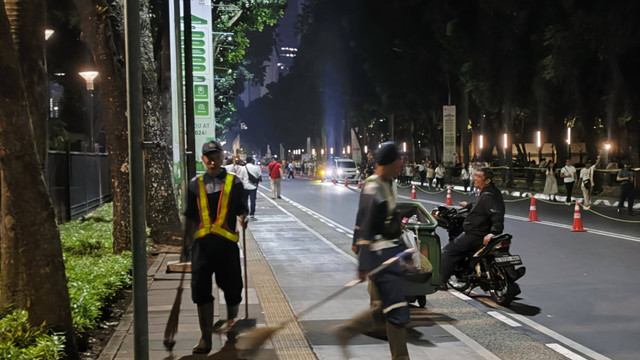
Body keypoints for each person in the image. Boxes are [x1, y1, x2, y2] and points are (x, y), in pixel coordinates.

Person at [334, 142, 410, 360]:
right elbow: (365, 223)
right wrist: (363, 263)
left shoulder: (390, 184)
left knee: (382, 308)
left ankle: (346, 331)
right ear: (391, 162)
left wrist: (405, 251)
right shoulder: (373, 187)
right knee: (396, 308)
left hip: (391, 252)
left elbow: (392, 220)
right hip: (379, 255)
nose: (400, 164)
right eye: (398, 160)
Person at [183, 140, 248, 354]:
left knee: (233, 288)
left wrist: (243, 216)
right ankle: (205, 338)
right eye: (208, 157)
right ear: (203, 160)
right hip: (202, 247)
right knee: (200, 291)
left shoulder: (234, 183)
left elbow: (241, 207)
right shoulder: (194, 184)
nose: (212, 160)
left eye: (216, 156)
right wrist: (185, 245)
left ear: (222, 158)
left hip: (226, 246)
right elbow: (190, 217)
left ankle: (231, 323)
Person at [440, 167, 505, 287]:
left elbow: (496, 213)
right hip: (479, 231)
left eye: (478, 176)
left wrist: (494, 232)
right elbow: (483, 207)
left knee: (449, 251)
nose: (474, 179)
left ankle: (440, 282)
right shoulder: (490, 192)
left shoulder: (488, 195)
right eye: (474, 176)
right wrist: (469, 206)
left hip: (476, 233)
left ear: (487, 180)